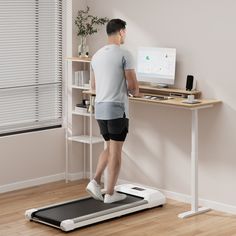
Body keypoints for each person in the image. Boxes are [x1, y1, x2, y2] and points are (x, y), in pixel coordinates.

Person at [86, 19, 142, 203]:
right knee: (116, 151)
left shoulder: (96, 55)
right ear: (122, 32)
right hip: (117, 109)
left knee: (109, 146)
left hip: (100, 108)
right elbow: (133, 86)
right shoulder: (125, 54)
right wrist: (137, 93)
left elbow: (93, 86)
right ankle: (110, 193)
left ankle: (95, 180)